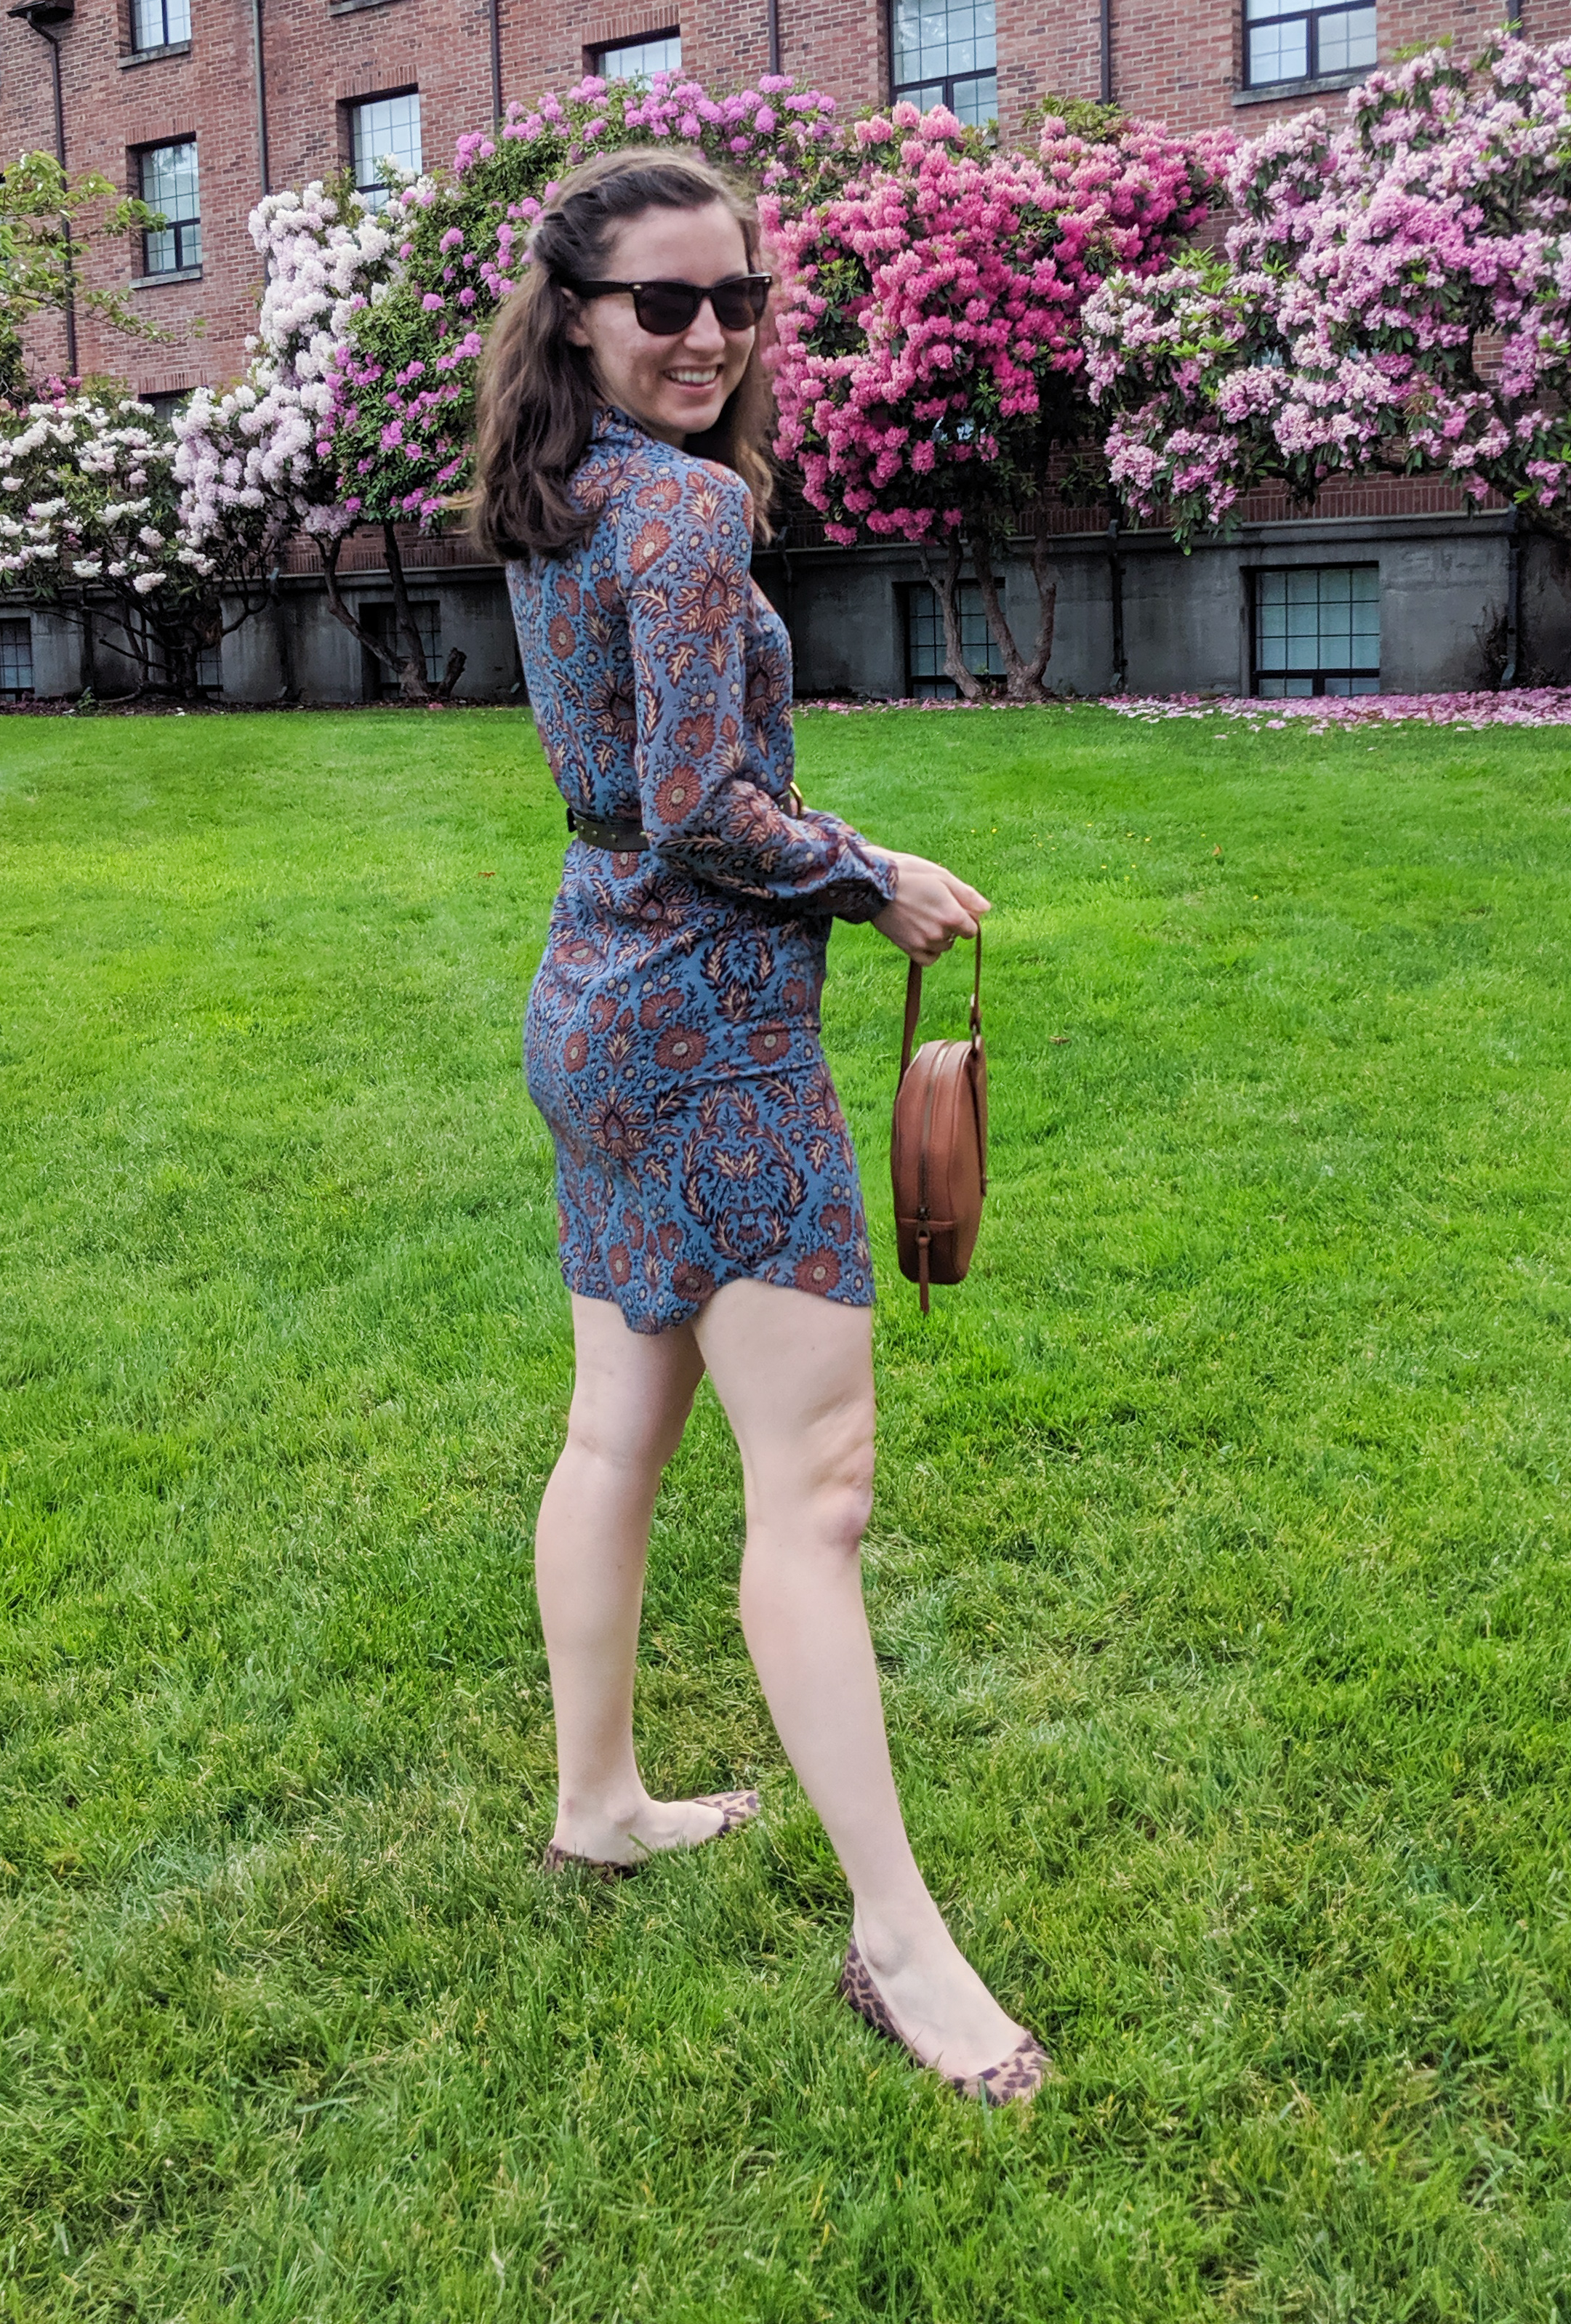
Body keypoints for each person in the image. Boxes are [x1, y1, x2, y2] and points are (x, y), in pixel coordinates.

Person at [473, 145, 1047, 2107]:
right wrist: (876, 875)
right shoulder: (688, 505)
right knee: (815, 1493)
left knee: (611, 1434)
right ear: (577, 318)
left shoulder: (559, 493)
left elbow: (640, 790)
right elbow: (703, 804)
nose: (709, 331)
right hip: (708, 1035)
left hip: (590, 1006)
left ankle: (600, 1804)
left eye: (737, 296)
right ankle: (901, 1947)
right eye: (664, 302)